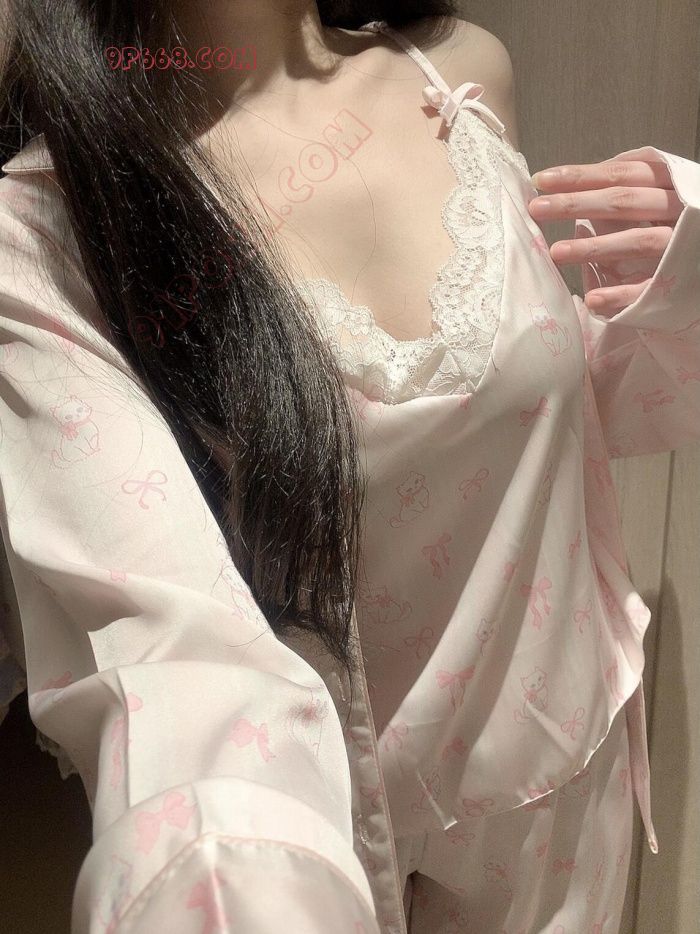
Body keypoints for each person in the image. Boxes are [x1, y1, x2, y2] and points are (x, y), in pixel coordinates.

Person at [1, 2, 699, 931]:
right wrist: (233, 882)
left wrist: (678, 283)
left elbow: (532, 414)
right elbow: (171, 654)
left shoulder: (460, 74)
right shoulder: (47, 225)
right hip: (325, 837)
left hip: (562, 790)